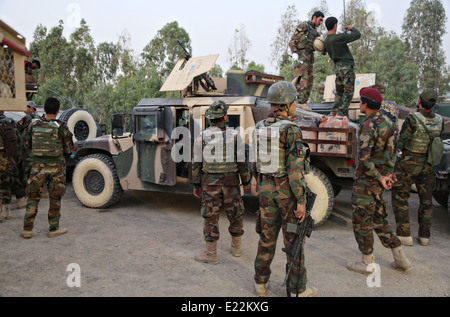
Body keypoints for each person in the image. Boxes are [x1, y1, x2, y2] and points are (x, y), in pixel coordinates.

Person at [252, 81, 316, 297]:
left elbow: (254, 162)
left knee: (266, 238)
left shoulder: (259, 127)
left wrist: (256, 183)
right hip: (286, 196)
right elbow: (295, 170)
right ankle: (297, 289)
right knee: (294, 241)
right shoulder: (291, 130)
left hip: (265, 193)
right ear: (288, 104)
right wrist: (301, 201)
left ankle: (260, 283)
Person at [348, 87, 411, 274]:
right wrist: (388, 175)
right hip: (380, 182)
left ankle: (367, 263)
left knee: (361, 221)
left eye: (360, 101)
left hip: (367, 182)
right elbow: (393, 154)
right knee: (378, 219)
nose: (360, 104)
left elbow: (364, 159)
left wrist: (380, 177)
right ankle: (401, 258)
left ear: (365, 104)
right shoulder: (390, 123)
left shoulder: (368, 126)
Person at [192, 100, 251, 264]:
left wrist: (196, 185)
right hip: (232, 184)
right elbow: (242, 163)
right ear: (225, 116)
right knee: (236, 214)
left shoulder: (201, 137)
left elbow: (196, 164)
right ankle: (236, 249)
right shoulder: (235, 136)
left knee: (210, 216)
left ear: (210, 118)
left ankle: (211, 255)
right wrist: (246, 181)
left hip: (210, 185)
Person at [391, 89, 444, 246]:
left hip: (409, 163)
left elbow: (401, 141)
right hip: (428, 164)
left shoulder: (413, 118)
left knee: (400, 197)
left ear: (420, 101)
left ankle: (404, 234)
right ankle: (424, 236)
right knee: (426, 201)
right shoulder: (440, 120)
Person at [21, 97, 73, 239]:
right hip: (56, 167)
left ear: (43, 109)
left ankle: (27, 229)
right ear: (58, 110)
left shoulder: (33, 125)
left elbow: (27, 144)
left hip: (37, 167)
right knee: (55, 198)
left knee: (32, 197)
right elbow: (68, 149)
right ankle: (53, 229)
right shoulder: (61, 127)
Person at [324, 17, 361, 117]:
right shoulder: (338, 38)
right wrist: (351, 28)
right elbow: (357, 35)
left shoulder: (326, 40)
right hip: (346, 67)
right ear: (335, 25)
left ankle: (333, 112)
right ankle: (341, 113)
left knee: (339, 92)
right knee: (348, 92)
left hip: (337, 68)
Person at [289, 11, 324, 108]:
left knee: (310, 82)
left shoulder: (315, 32)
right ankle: (299, 102)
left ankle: (303, 102)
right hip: (301, 57)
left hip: (309, 58)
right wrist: (294, 52)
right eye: (320, 20)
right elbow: (292, 41)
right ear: (314, 17)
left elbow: (321, 45)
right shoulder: (304, 26)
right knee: (303, 80)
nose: (321, 22)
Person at [12, 101, 39, 210]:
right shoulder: (37, 120)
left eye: (26, 107)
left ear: (31, 108)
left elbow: (19, 128)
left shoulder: (28, 119)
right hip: (29, 151)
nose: (24, 109)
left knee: (27, 173)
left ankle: (29, 195)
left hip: (28, 152)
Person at [0, 111, 19, 222]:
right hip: (6, 158)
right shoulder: (9, 122)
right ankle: (6, 211)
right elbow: (18, 141)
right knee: (5, 184)